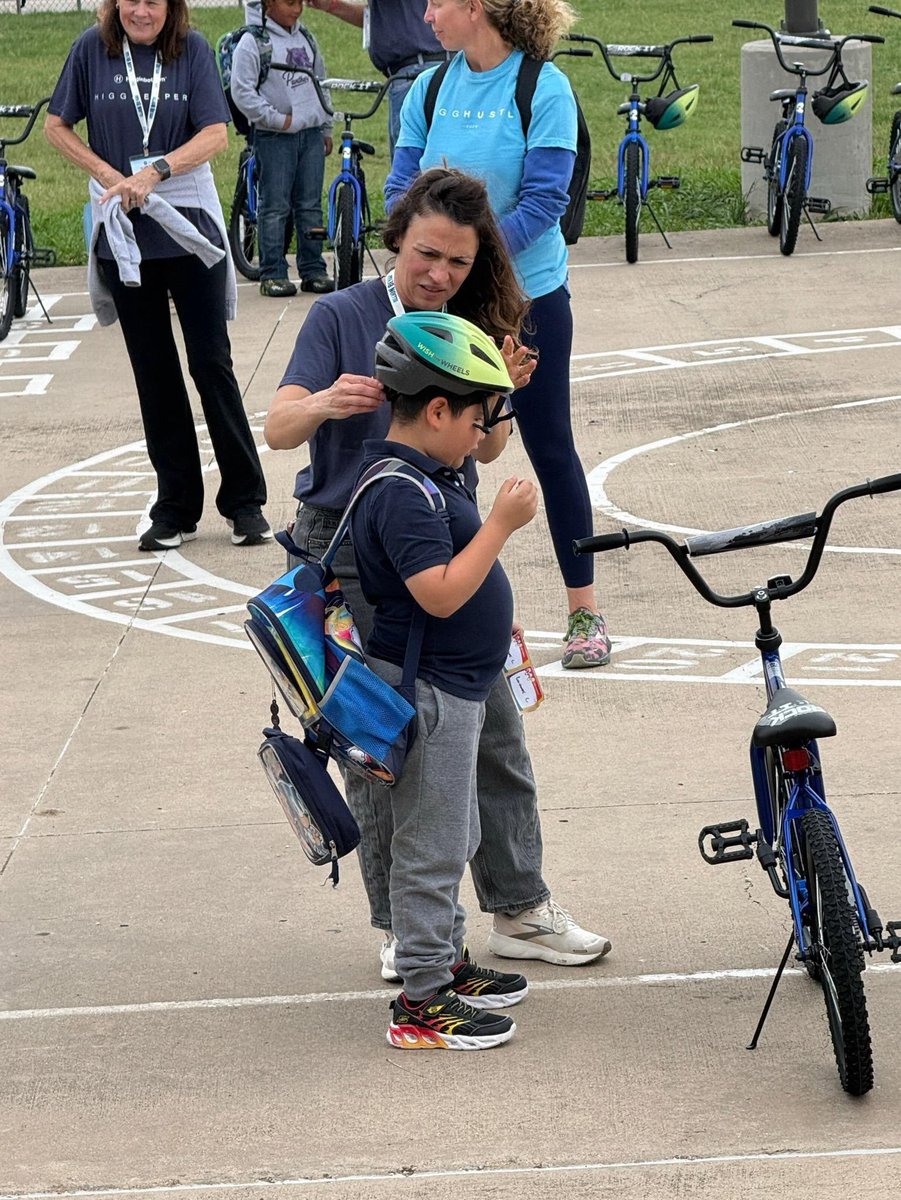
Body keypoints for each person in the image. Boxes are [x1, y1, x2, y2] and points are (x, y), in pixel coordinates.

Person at [265, 166, 611, 980]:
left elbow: (486, 450)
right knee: (377, 744)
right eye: (427, 254)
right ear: (397, 239)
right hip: (346, 550)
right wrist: (325, 403)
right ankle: (404, 929)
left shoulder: (471, 321)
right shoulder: (342, 313)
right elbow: (278, 428)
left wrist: (501, 393)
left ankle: (518, 906)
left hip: (445, 531)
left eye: (458, 261)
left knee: (494, 729)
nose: (439, 274)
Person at [385, 0, 612, 668]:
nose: (427, 15)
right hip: (446, 301)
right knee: (445, 449)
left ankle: (584, 613)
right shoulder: (429, 88)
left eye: (438, 2)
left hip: (527, 299)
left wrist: (470, 263)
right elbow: (401, 189)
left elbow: (544, 201)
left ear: (478, 6)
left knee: (549, 446)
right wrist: (431, 262)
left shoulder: (543, 87)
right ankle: (463, 608)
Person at [353, 311, 537, 1049]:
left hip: (454, 687)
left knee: (456, 830)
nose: (481, 437)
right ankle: (423, 999)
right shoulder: (400, 491)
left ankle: (446, 959)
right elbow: (436, 593)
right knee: (429, 846)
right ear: (435, 412)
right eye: (475, 419)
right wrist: (500, 525)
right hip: (425, 693)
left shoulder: (428, 469)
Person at [45, 0, 272, 551]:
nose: (141, 12)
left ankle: (244, 502)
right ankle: (176, 506)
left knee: (211, 363)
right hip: (124, 229)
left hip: (186, 227)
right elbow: (56, 126)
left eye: (154, 2)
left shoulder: (191, 49)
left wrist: (155, 171)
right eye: (132, 0)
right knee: (154, 373)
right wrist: (107, 173)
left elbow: (215, 134)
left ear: (172, 7)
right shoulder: (90, 50)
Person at [231, 0, 335, 297]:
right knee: (275, 206)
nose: (297, 8)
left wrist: (325, 126)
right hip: (274, 137)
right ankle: (273, 273)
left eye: (300, 2)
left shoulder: (307, 38)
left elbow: (321, 83)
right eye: (289, 2)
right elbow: (242, 92)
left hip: (310, 135)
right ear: (268, 4)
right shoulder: (253, 42)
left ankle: (313, 269)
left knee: (310, 205)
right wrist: (277, 119)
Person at [304, 0, 451, 158]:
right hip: (429, 69)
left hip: (417, 72)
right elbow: (380, 20)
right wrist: (334, 6)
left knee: (411, 163)